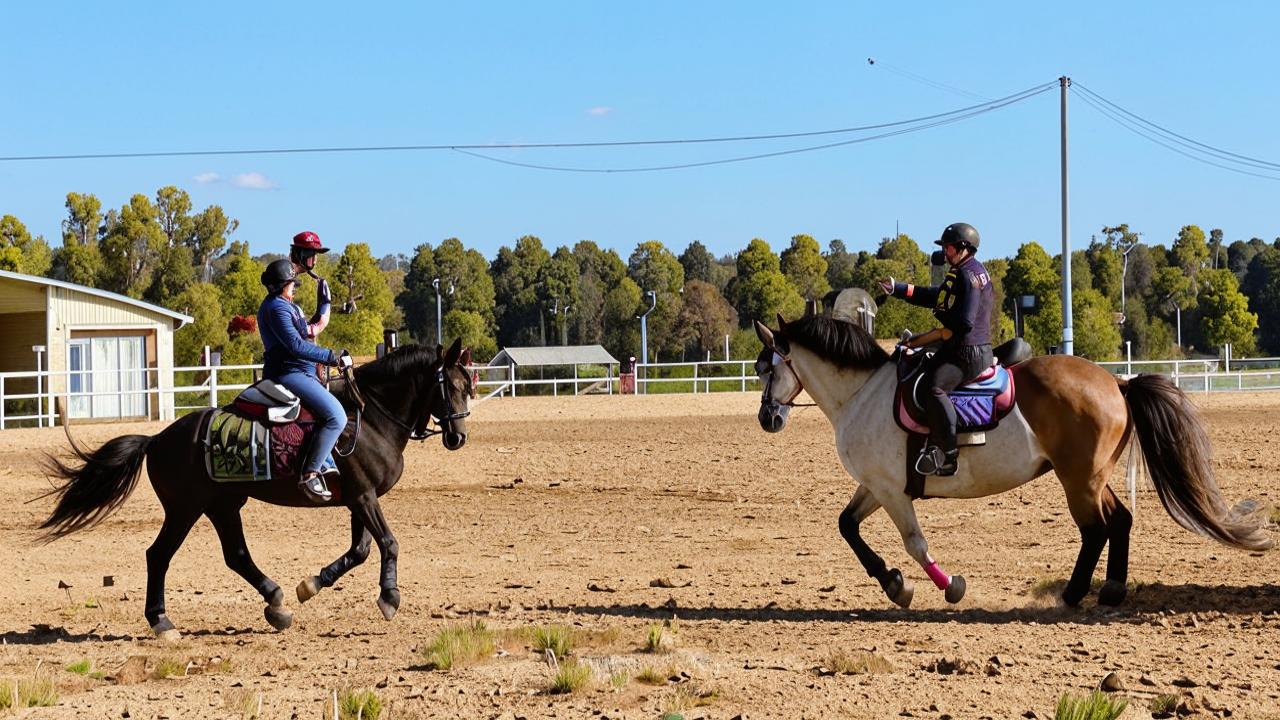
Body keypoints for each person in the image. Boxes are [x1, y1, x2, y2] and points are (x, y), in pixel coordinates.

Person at [878, 222, 994, 476]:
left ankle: (948, 454)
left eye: (948, 247)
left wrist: (935, 333)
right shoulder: (965, 269)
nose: (945, 251)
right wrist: (899, 288)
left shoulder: (967, 275)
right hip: (962, 345)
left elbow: (964, 322)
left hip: (967, 352)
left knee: (933, 387)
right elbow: (937, 296)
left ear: (964, 248)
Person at [258, 258, 352, 503]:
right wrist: (332, 357)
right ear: (282, 285)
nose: (295, 287)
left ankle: (326, 460)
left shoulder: (283, 305)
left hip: (301, 372)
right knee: (336, 416)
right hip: (289, 374)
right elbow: (297, 346)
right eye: (292, 283)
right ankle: (310, 473)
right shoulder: (276, 308)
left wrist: (325, 307)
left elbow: (307, 331)